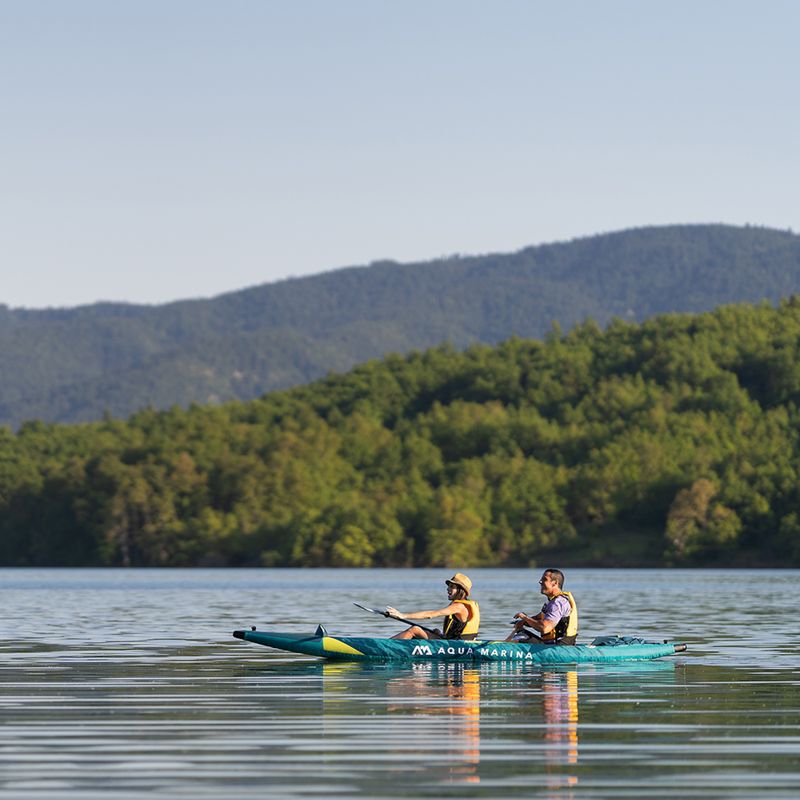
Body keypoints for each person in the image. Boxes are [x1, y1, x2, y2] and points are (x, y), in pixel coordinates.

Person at [385, 572, 480, 640]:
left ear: (460, 590)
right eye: (448, 586)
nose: (448, 589)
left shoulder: (459, 606)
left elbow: (431, 614)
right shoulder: (462, 605)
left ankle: (385, 647)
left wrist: (402, 615)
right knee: (431, 631)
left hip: (455, 645)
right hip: (455, 643)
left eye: (452, 587)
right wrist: (441, 635)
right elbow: (458, 631)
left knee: (414, 630)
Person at [506, 568, 578, 645]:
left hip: (559, 648)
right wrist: (523, 622)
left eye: (544, 579)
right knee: (520, 632)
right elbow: (540, 617)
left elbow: (545, 628)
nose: (540, 582)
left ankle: (502, 648)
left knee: (521, 636)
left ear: (555, 583)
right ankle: (503, 645)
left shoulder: (558, 603)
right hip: (551, 644)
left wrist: (525, 617)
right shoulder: (552, 601)